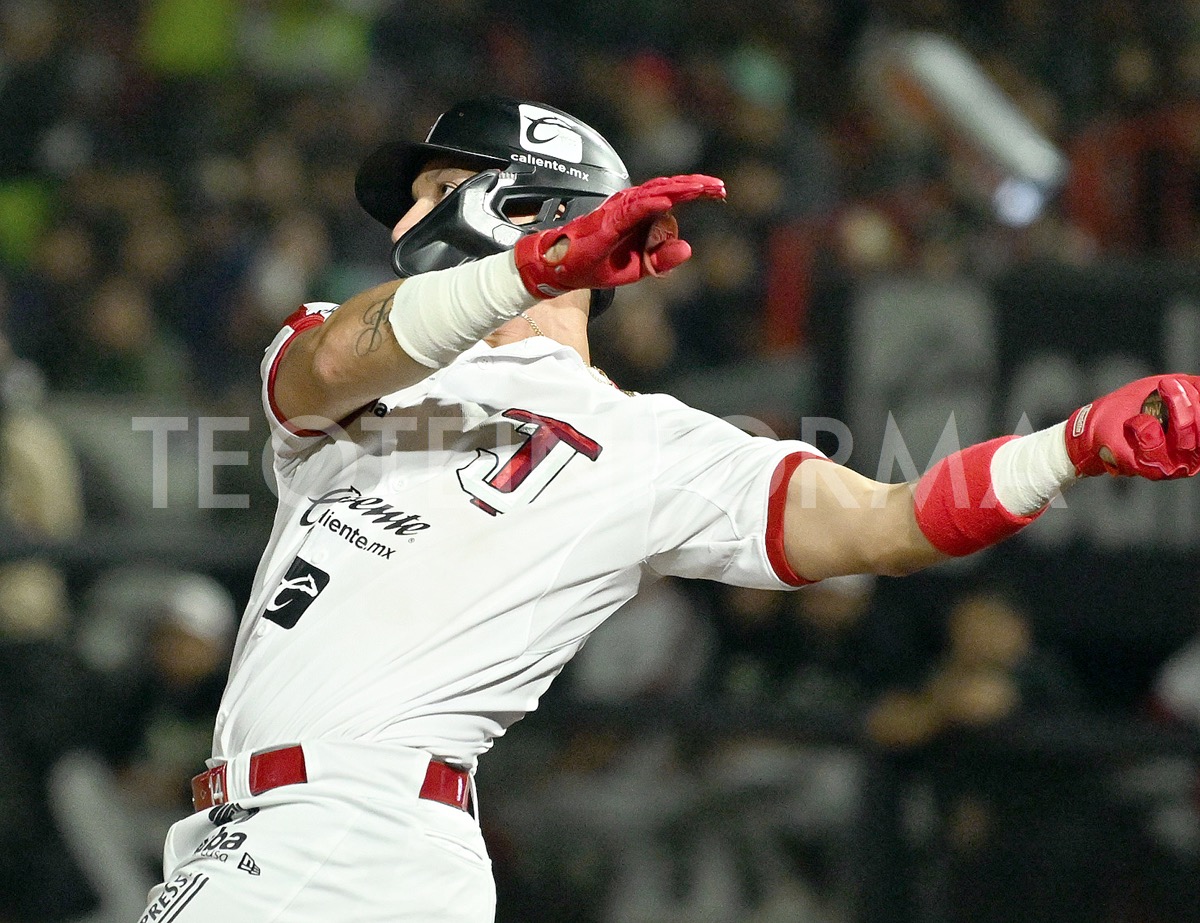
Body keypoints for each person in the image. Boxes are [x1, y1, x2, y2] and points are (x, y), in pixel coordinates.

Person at [139, 95, 1200, 923]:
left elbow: (886, 521)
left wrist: (1066, 449)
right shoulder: (357, 345)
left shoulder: (651, 445)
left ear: (526, 206)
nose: (405, 221)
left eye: (437, 189)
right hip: (245, 833)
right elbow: (327, 364)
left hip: (353, 836)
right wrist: (534, 268)